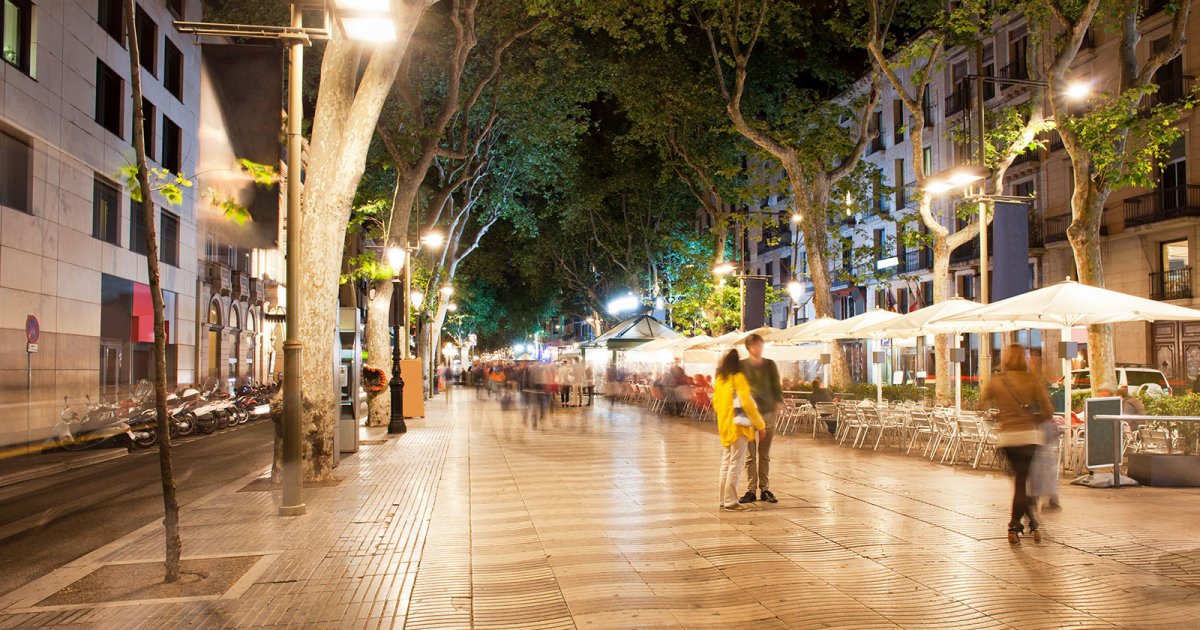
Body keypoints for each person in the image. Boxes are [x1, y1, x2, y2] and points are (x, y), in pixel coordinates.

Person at [979, 344, 1054, 544]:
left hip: (1007, 439)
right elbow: (1048, 410)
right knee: (1022, 483)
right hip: (1030, 437)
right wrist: (1033, 418)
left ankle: (1023, 525)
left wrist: (1000, 417)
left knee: (1019, 484)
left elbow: (980, 407)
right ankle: (1021, 524)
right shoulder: (1032, 380)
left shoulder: (996, 380)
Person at [712, 349, 766, 512]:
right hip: (739, 427)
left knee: (726, 462)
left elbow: (715, 403)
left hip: (724, 426)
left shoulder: (720, 380)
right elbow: (748, 403)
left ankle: (723, 499)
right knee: (736, 462)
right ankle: (731, 501)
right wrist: (760, 424)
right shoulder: (738, 378)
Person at [739, 334, 785, 504]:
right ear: (749, 347)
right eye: (755, 345)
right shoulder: (742, 365)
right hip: (748, 413)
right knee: (749, 455)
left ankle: (764, 488)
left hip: (767, 411)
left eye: (760, 345)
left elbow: (776, 385)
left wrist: (778, 402)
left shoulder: (770, 364)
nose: (759, 348)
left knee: (764, 453)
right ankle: (751, 489)